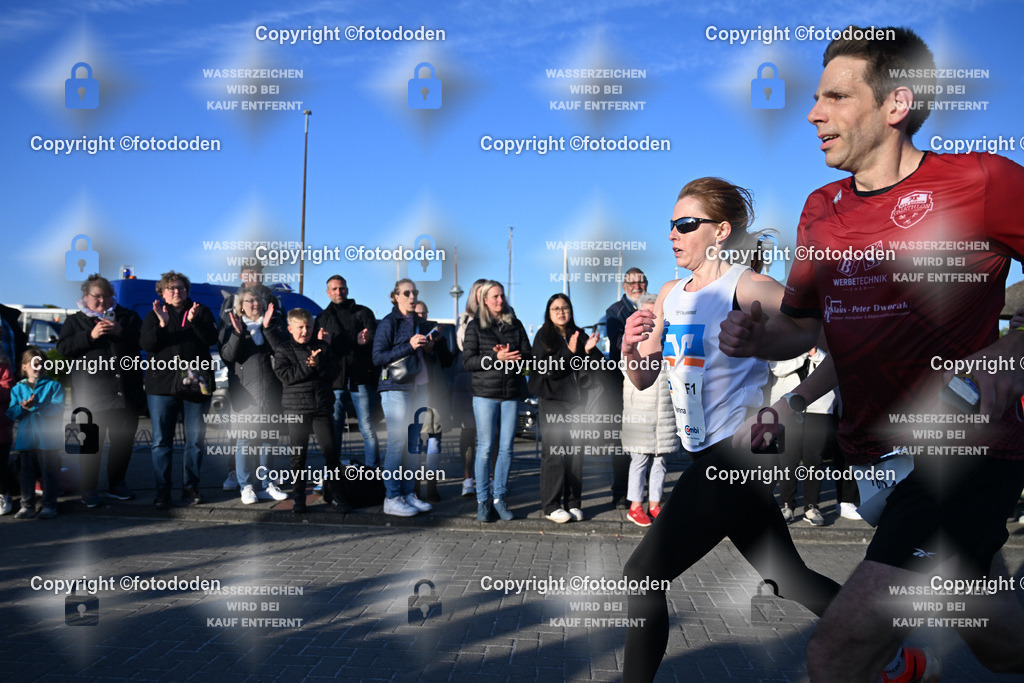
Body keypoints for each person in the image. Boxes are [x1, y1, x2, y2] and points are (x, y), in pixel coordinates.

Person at [719, 26, 1024, 682]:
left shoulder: (983, 180)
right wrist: (756, 337)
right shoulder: (820, 209)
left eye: (834, 96)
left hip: (962, 454)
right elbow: (802, 329)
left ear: (895, 106)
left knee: (837, 652)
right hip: (873, 462)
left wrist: (1014, 345)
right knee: (997, 638)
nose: (812, 113)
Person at [620, 177, 842, 682]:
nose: (672, 235)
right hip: (708, 455)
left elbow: (835, 337)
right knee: (788, 578)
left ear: (720, 231)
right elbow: (645, 375)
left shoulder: (748, 286)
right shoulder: (671, 293)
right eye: (670, 226)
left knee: (641, 576)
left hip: (746, 450)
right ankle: (895, 652)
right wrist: (630, 351)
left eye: (685, 225)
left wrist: (795, 401)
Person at [56, 274, 145, 507]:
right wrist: (89, 336)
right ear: (85, 297)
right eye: (97, 296)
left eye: (107, 296)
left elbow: (145, 343)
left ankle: (117, 484)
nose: (102, 301)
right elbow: (63, 348)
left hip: (124, 395)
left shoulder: (128, 317)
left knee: (122, 444)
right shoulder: (75, 321)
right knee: (89, 448)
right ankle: (89, 489)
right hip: (90, 398)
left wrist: (120, 332)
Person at [140, 271, 218, 509]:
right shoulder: (154, 315)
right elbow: (146, 345)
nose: (177, 292)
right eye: (171, 289)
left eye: (181, 288)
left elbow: (212, 339)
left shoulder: (200, 310)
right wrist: (162, 323)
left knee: (195, 440)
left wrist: (195, 322)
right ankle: (162, 491)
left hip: (195, 383)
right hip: (161, 385)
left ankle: (190, 487)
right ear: (162, 293)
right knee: (161, 441)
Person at [529, 293, 603, 523]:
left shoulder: (578, 334)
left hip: (576, 402)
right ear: (548, 313)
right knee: (553, 452)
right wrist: (569, 353)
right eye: (556, 309)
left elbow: (597, 368)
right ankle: (551, 505)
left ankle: (573, 503)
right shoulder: (543, 336)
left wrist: (589, 351)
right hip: (552, 401)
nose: (561, 312)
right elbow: (547, 370)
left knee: (575, 453)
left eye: (565, 308)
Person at [462, 280, 532, 522]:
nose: (500, 300)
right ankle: (482, 501)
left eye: (502, 296)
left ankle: (499, 498)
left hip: (511, 394)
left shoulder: (516, 323)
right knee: (485, 448)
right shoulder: (475, 326)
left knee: (507, 449)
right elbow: (468, 361)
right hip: (484, 395)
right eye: (495, 297)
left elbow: (529, 357)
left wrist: (516, 357)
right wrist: (495, 357)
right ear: (484, 300)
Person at [272, 308, 349, 514]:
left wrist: (320, 364)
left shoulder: (322, 347)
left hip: (321, 409)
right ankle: (299, 500)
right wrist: (311, 366)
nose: (305, 331)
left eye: (308, 327)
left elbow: (334, 373)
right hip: (296, 410)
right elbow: (286, 376)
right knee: (298, 457)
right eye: (300, 327)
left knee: (331, 454)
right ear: (290, 328)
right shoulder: (283, 350)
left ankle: (337, 496)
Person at [371, 279, 437, 517]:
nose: (412, 296)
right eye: (407, 293)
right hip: (394, 388)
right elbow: (377, 357)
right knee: (397, 443)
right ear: (395, 297)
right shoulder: (389, 322)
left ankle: (408, 494)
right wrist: (409, 346)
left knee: (412, 445)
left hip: (417, 388)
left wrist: (428, 346)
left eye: (415, 293)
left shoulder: (418, 322)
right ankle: (392, 497)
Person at [219, 290, 288, 504]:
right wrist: (238, 334)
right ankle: (246, 486)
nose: (255, 303)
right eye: (250, 301)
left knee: (268, 440)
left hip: (270, 394)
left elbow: (283, 351)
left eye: (258, 300)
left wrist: (268, 329)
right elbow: (228, 356)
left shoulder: (274, 325)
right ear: (241, 306)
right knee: (245, 441)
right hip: (245, 397)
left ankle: (268, 484)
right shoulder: (233, 327)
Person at [620, 293, 680, 528]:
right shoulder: (630, 343)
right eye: (645, 314)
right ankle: (635, 506)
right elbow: (629, 371)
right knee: (640, 460)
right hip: (640, 412)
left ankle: (655, 503)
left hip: (664, 412)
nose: (650, 320)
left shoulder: (666, 343)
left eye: (654, 314)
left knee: (660, 461)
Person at [315, 275, 380, 468]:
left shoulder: (363, 313)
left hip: (361, 379)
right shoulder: (322, 318)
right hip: (335, 383)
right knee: (334, 430)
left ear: (347, 289)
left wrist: (366, 342)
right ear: (328, 292)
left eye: (341, 288)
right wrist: (323, 344)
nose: (338, 292)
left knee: (368, 428)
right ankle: (333, 472)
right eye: (334, 289)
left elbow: (378, 343)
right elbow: (317, 352)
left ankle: (373, 471)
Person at [767, 348, 836, 526]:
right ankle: (787, 506)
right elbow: (777, 369)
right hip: (788, 408)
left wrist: (815, 354)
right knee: (788, 458)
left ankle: (812, 507)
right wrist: (803, 354)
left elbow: (832, 368)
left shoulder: (822, 348)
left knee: (814, 459)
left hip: (819, 409)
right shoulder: (784, 344)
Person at [605, 268, 648, 509]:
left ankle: (643, 492)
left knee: (646, 439)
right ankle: (620, 491)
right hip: (621, 382)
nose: (637, 286)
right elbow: (619, 345)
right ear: (624, 286)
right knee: (621, 440)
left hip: (649, 381)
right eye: (632, 283)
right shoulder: (615, 311)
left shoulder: (653, 307)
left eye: (641, 282)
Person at [7, 348, 65, 519]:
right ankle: (27, 505)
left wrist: (36, 406)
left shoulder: (54, 386)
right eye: (34, 364)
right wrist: (23, 407)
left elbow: (57, 409)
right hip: (26, 439)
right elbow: (12, 413)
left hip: (48, 440)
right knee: (26, 474)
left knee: (49, 473)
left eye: (41, 363)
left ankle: (49, 505)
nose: (38, 367)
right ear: (24, 367)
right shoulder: (17, 389)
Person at [452, 279, 488, 497]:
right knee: (469, 432)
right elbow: (464, 346)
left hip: (491, 380)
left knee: (491, 434)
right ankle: (467, 480)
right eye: (479, 293)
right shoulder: (464, 319)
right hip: (467, 382)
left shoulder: (503, 317)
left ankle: (491, 479)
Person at [0, 345, 15, 515]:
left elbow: (7, 390)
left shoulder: (4, 366)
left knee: (1, 464)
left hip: (1, 427)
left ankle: (4, 494)